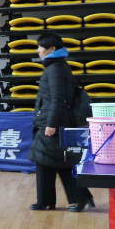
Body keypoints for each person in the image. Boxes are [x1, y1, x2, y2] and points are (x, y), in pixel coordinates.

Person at [28, 33, 94, 212]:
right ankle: (54, 200)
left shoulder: (55, 69)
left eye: (40, 47)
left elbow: (58, 99)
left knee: (49, 160)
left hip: (53, 123)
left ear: (52, 49)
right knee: (55, 161)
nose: (38, 50)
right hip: (55, 121)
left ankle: (56, 200)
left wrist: (51, 124)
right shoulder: (57, 66)